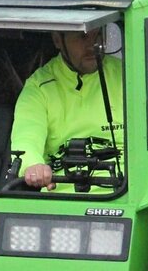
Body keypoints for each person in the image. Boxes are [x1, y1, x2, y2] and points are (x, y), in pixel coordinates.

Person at [10, 28, 123, 190]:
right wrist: (33, 165)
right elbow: (26, 137)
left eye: (98, 35)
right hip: (62, 196)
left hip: (124, 191)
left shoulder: (127, 75)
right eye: (83, 37)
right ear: (57, 40)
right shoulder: (38, 87)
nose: (93, 45)